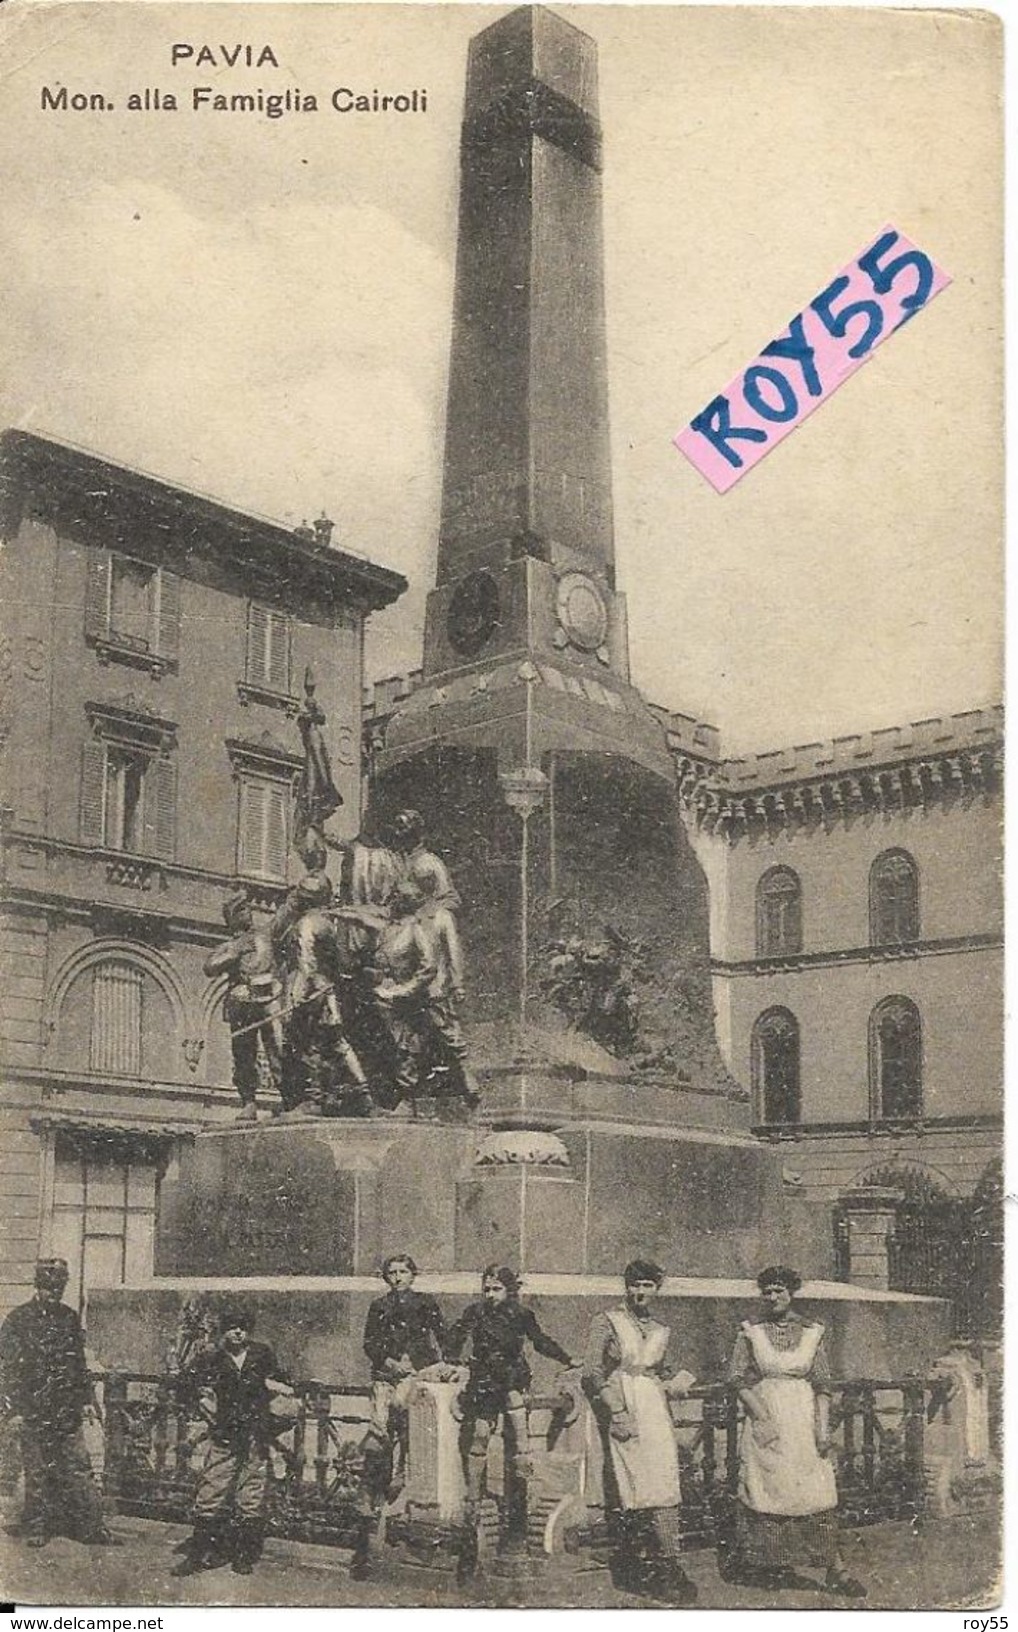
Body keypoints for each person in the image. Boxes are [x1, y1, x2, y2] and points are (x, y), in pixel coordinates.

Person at [726, 1266, 866, 1597]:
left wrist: (822, 1429)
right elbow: (735, 1378)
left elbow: (823, 1384)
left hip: (803, 1419)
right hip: (767, 1419)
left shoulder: (813, 1331)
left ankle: (836, 1569)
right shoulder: (751, 1331)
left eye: (779, 1290)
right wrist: (761, 1416)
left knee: (815, 1491)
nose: (773, 1297)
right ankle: (771, 1564)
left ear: (792, 1293)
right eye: (767, 1292)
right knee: (769, 1488)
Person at [581, 1260, 698, 1604]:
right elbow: (591, 1372)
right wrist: (616, 1411)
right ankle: (637, 1569)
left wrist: (680, 1382)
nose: (640, 1292)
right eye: (635, 1285)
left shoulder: (661, 1329)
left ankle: (669, 1566)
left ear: (657, 1288)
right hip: (624, 1409)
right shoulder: (608, 1322)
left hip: (655, 1413)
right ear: (626, 1286)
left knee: (663, 1485)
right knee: (633, 1488)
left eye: (647, 1285)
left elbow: (668, 1370)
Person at [0, 1258, 121, 1549]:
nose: (53, 1293)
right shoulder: (18, 1320)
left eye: (58, 1288)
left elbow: (78, 1365)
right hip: (32, 1410)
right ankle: (37, 1527)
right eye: (48, 1287)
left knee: (79, 1468)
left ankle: (92, 1528)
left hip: (65, 1410)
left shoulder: (68, 1318)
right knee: (37, 1471)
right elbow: (7, 1371)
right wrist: (12, 1410)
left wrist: (85, 1401)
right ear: (37, 1286)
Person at [171, 1304, 293, 1577]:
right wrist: (205, 1405)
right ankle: (196, 1555)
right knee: (211, 1490)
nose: (238, 1333)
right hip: (225, 1433)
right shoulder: (212, 1356)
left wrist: (278, 1387)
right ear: (223, 1331)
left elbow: (282, 1380)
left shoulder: (261, 1354)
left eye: (243, 1328)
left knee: (250, 1495)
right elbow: (184, 1384)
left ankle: (243, 1555)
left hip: (255, 1434)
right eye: (231, 1328)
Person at [446, 1266, 574, 1486]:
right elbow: (457, 1336)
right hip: (483, 1377)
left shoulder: (521, 1314)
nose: (491, 1295)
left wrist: (567, 1359)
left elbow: (540, 1341)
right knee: (480, 1433)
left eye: (497, 1289)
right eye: (486, 1289)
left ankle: (524, 1456)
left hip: (511, 1375)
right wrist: (450, 1362)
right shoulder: (475, 1312)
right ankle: (474, 1496)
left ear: (510, 1290)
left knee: (514, 1399)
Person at [273, 871, 372, 1118]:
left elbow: (306, 963)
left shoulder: (306, 923)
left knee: (308, 1044)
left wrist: (297, 996)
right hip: (327, 992)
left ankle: (313, 1099)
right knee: (338, 1044)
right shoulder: (329, 924)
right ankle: (364, 1093)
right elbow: (341, 963)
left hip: (310, 992)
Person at [360, 1255, 447, 1518]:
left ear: (412, 1275)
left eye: (403, 1272)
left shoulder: (425, 1303)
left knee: (413, 1430)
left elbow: (442, 1336)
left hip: (417, 1377)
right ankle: (372, 1494)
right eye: (392, 1272)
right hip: (387, 1377)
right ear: (386, 1277)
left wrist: (442, 1365)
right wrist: (389, 1361)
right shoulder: (379, 1306)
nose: (398, 1277)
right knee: (379, 1436)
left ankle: (405, 1485)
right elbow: (370, 1343)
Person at [203, 891, 282, 1122]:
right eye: (240, 910)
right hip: (243, 1001)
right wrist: (234, 954)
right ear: (232, 919)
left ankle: (289, 1096)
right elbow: (209, 967)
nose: (247, 912)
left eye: (246, 908)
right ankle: (248, 1102)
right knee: (244, 1055)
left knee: (278, 1048)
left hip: (269, 998)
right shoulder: (230, 945)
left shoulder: (265, 934)